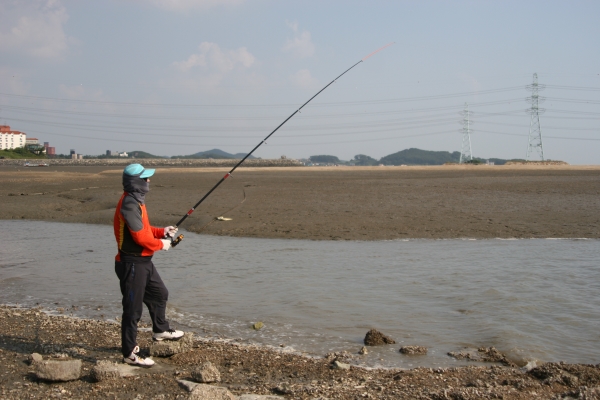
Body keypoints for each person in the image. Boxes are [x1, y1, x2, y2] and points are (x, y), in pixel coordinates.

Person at [113, 163, 184, 367]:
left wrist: (162, 232)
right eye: (145, 179)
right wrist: (162, 245)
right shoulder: (129, 204)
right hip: (131, 264)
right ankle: (129, 353)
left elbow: (145, 229)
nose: (148, 181)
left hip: (143, 262)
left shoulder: (137, 202)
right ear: (135, 182)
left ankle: (160, 329)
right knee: (132, 310)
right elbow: (140, 237)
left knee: (159, 293)